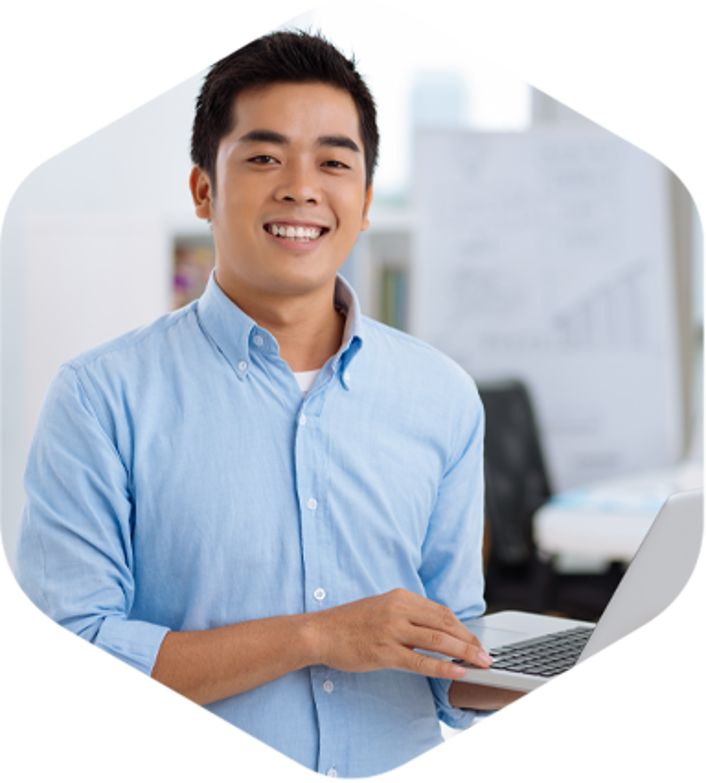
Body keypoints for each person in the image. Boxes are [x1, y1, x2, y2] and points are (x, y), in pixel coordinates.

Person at [15, 30, 529, 782]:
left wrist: (570, 671)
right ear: (203, 190)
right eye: (263, 157)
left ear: (363, 200)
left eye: (333, 161)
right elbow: (71, 660)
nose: (301, 186)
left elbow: (451, 652)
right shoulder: (102, 396)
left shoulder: (441, 394)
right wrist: (317, 635)